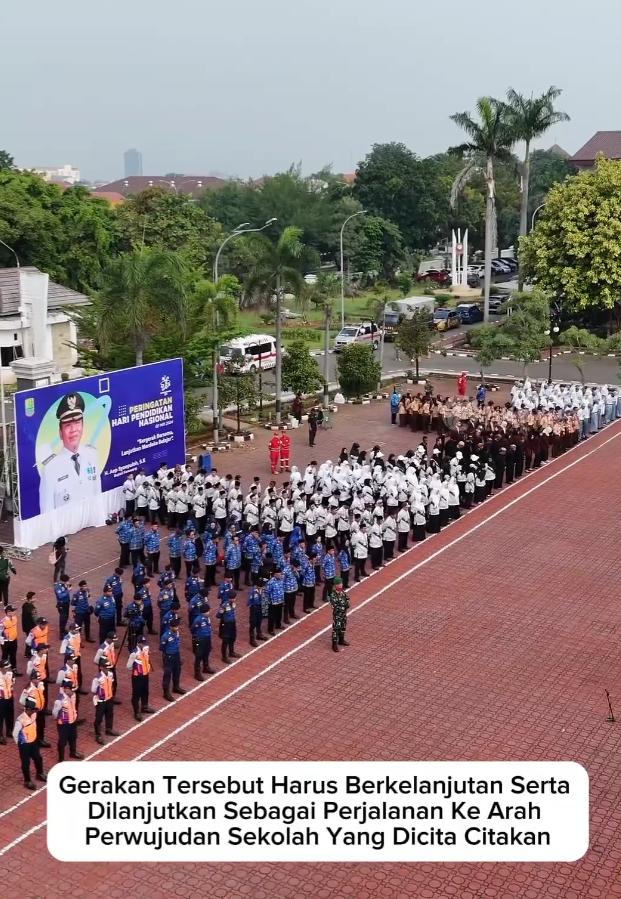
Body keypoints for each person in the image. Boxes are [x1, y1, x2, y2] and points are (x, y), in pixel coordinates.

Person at [38, 392, 102, 513]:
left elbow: (98, 497)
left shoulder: (92, 455)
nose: (73, 430)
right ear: (60, 433)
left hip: (90, 526)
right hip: (66, 531)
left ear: (83, 426)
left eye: (77, 423)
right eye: (68, 425)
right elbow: (47, 514)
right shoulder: (50, 468)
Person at [13, 697, 46, 790]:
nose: (34, 711)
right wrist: (20, 744)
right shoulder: (20, 720)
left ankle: (40, 774)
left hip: (34, 741)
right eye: (33, 710)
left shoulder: (33, 714)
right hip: (25, 744)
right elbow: (15, 734)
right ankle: (27, 781)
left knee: (38, 758)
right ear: (27, 709)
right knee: (25, 763)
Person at [52, 678, 84, 762]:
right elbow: (54, 713)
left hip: (72, 721)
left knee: (73, 737)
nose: (73, 691)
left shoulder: (73, 695)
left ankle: (73, 752)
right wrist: (59, 719)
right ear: (66, 689)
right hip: (63, 724)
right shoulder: (60, 700)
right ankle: (61, 758)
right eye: (71, 689)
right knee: (62, 741)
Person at [126, 635, 155, 721]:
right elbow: (128, 666)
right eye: (142, 643)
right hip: (137, 676)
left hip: (145, 674)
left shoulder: (146, 650)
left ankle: (144, 706)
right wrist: (136, 669)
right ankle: (136, 712)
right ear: (138, 644)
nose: (144, 645)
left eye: (145, 643)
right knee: (136, 694)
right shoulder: (134, 653)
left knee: (145, 691)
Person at [91, 657, 119, 745]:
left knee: (110, 714)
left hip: (109, 698)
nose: (107, 668)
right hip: (101, 700)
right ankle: (98, 735)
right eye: (105, 667)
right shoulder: (97, 678)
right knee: (99, 717)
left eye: (108, 667)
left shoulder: (110, 674)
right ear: (101, 667)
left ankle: (109, 729)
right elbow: (93, 690)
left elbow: (111, 684)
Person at [160, 616, 186, 701]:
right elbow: (162, 647)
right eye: (175, 627)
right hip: (169, 656)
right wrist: (167, 653)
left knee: (177, 671)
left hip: (176, 654)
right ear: (171, 627)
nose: (177, 628)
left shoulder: (176, 633)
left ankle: (176, 687)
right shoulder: (166, 636)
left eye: (177, 626)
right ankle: (166, 693)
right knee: (167, 674)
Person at [190, 601, 214, 681]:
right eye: (207, 611)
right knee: (199, 656)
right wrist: (197, 637)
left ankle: (206, 667)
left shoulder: (207, 618)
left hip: (207, 638)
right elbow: (193, 629)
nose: (209, 612)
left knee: (206, 652)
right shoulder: (198, 620)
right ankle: (197, 673)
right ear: (203, 612)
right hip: (200, 639)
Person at [328, 577, 350, 652]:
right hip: (337, 615)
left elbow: (347, 601)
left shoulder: (342, 592)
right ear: (336, 585)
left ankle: (341, 640)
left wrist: (344, 605)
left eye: (341, 583)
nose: (341, 585)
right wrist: (344, 605)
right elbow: (335, 606)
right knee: (336, 629)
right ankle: (334, 644)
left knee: (343, 627)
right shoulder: (332, 595)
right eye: (339, 584)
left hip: (343, 614)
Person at [216, 597, 239, 664]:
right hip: (226, 624)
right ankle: (224, 657)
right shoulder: (224, 606)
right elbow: (218, 615)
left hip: (232, 623)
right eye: (232, 598)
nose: (234, 599)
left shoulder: (234, 604)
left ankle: (231, 652)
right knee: (225, 640)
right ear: (229, 598)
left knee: (232, 638)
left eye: (234, 598)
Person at [1, 604, 20, 674]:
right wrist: (3, 643)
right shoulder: (3, 622)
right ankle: (3, 670)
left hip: (14, 640)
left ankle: (14, 669)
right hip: (6, 642)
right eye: (13, 611)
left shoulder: (14, 618)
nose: (14, 612)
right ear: (8, 612)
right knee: (5, 656)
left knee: (13, 655)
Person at [0, 658, 15, 745]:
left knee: (10, 715)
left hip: (9, 698)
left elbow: (13, 683)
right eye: (6, 667)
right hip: (1, 700)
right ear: (1, 668)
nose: (7, 669)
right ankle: (0, 736)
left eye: (8, 667)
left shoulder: (10, 674)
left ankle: (9, 731)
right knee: (0, 718)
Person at [54, 574, 71, 639]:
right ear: (63, 581)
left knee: (66, 617)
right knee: (62, 619)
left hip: (66, 603)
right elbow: (60, 596)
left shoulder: (64, 585)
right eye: (67, 581)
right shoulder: (57, 587)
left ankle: (63, 629)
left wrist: (67, 586)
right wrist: (67, 591)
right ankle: (61, 634)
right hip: (62, 604)